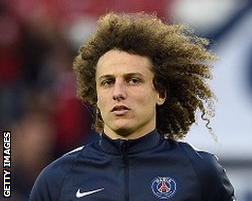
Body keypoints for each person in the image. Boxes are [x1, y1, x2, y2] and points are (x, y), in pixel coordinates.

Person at [29, 12, 235, 200]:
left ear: (160, 93)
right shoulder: (57, 179)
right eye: (107, 82)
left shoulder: (200, 171)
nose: (118, 93)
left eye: (133, 80)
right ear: (96, 96)